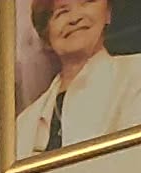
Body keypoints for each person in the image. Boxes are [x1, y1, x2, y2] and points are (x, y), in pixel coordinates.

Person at [16, 0, 141, 157]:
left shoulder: (136, 74)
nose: (75, 18)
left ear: (107, 14)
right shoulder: (24, 122)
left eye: (85, 3)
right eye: (62, 12)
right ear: (46, 36)